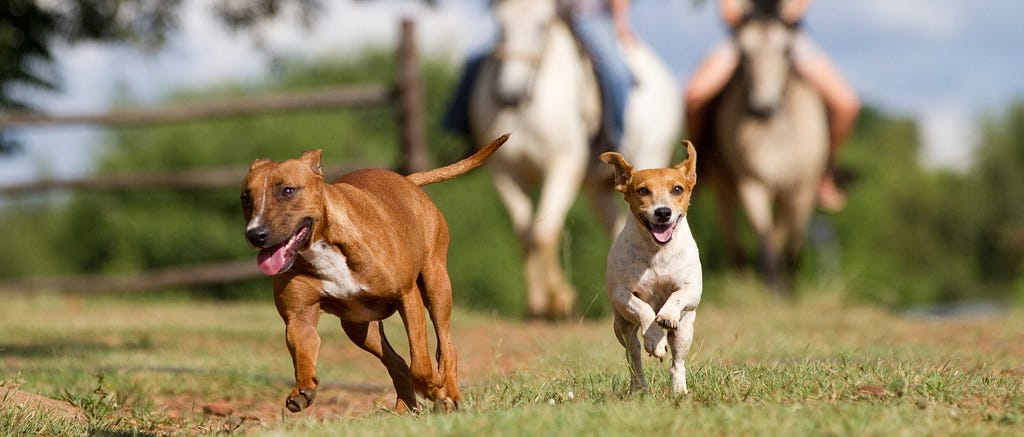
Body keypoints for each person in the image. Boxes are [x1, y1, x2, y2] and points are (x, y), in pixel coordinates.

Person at [683, 0, 860, 211]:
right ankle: (699, 168)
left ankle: (825, 170)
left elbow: (797, 7)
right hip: (744, 38)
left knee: (846, 104)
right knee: (694, 96)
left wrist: (779, 18)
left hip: (787, 39)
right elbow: (729, 12)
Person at [443, 0, 637, 150]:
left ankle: (615, 142)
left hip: (588, 16)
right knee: (475, 60)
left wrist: (621, 21)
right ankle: (468, 135)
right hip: (540, 14)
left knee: (616, 72)